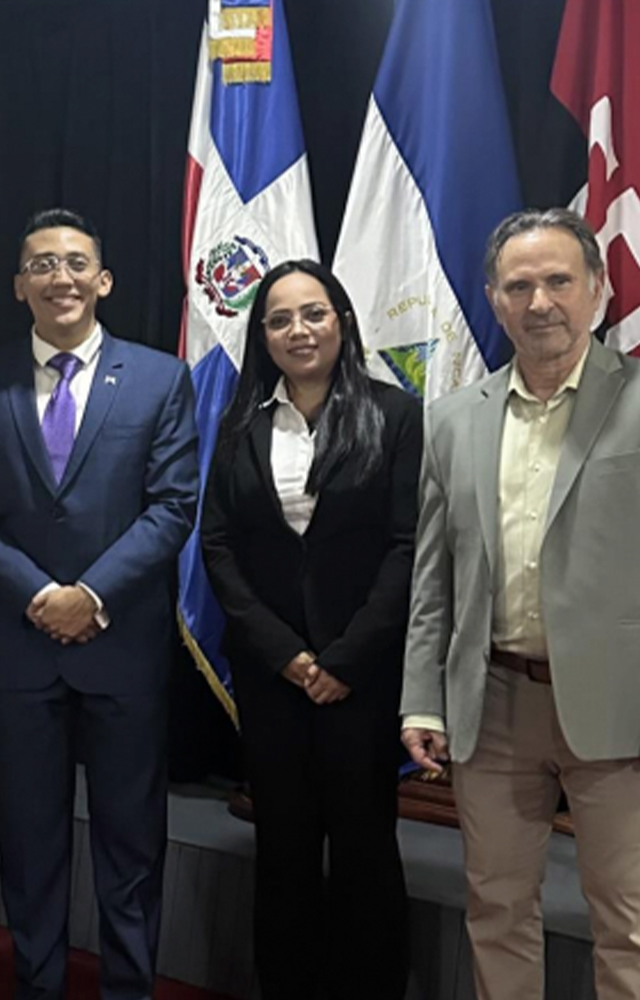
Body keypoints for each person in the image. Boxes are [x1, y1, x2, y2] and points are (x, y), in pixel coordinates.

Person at [399, 207, 640, 1000]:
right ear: (493, 298)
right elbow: (434, 579)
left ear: (599, 291)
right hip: (493, 705)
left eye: (558, 281)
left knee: (626, 922)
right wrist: (424, 699)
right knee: (495, 909)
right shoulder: (453, 419)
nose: (539, 301)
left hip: (625, 716)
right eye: (519, 286)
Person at [0, 208, 198, 1000]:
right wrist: (40, 595)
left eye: (76, 263)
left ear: (104, 280)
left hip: (121, 652)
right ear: (20, 286)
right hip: (17, 653)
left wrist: (89, 596)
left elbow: (173, 505)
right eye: (43, 265)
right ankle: (39, 987)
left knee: (130, 847)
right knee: (29, 846)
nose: (62, 277)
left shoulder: (159, 379)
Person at [200, 260, 418, 1000]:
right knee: (284, 855)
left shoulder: (395, 416)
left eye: (314, 314)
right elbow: (218, 548)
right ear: (263, 336)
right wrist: (286, 656)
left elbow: (408, 547)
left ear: (344, 322)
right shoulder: (241, 426)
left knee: (365, 854)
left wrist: (345, 656)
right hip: (273, 680)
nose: (299, 330)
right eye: (281, 319)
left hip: (361, 676)